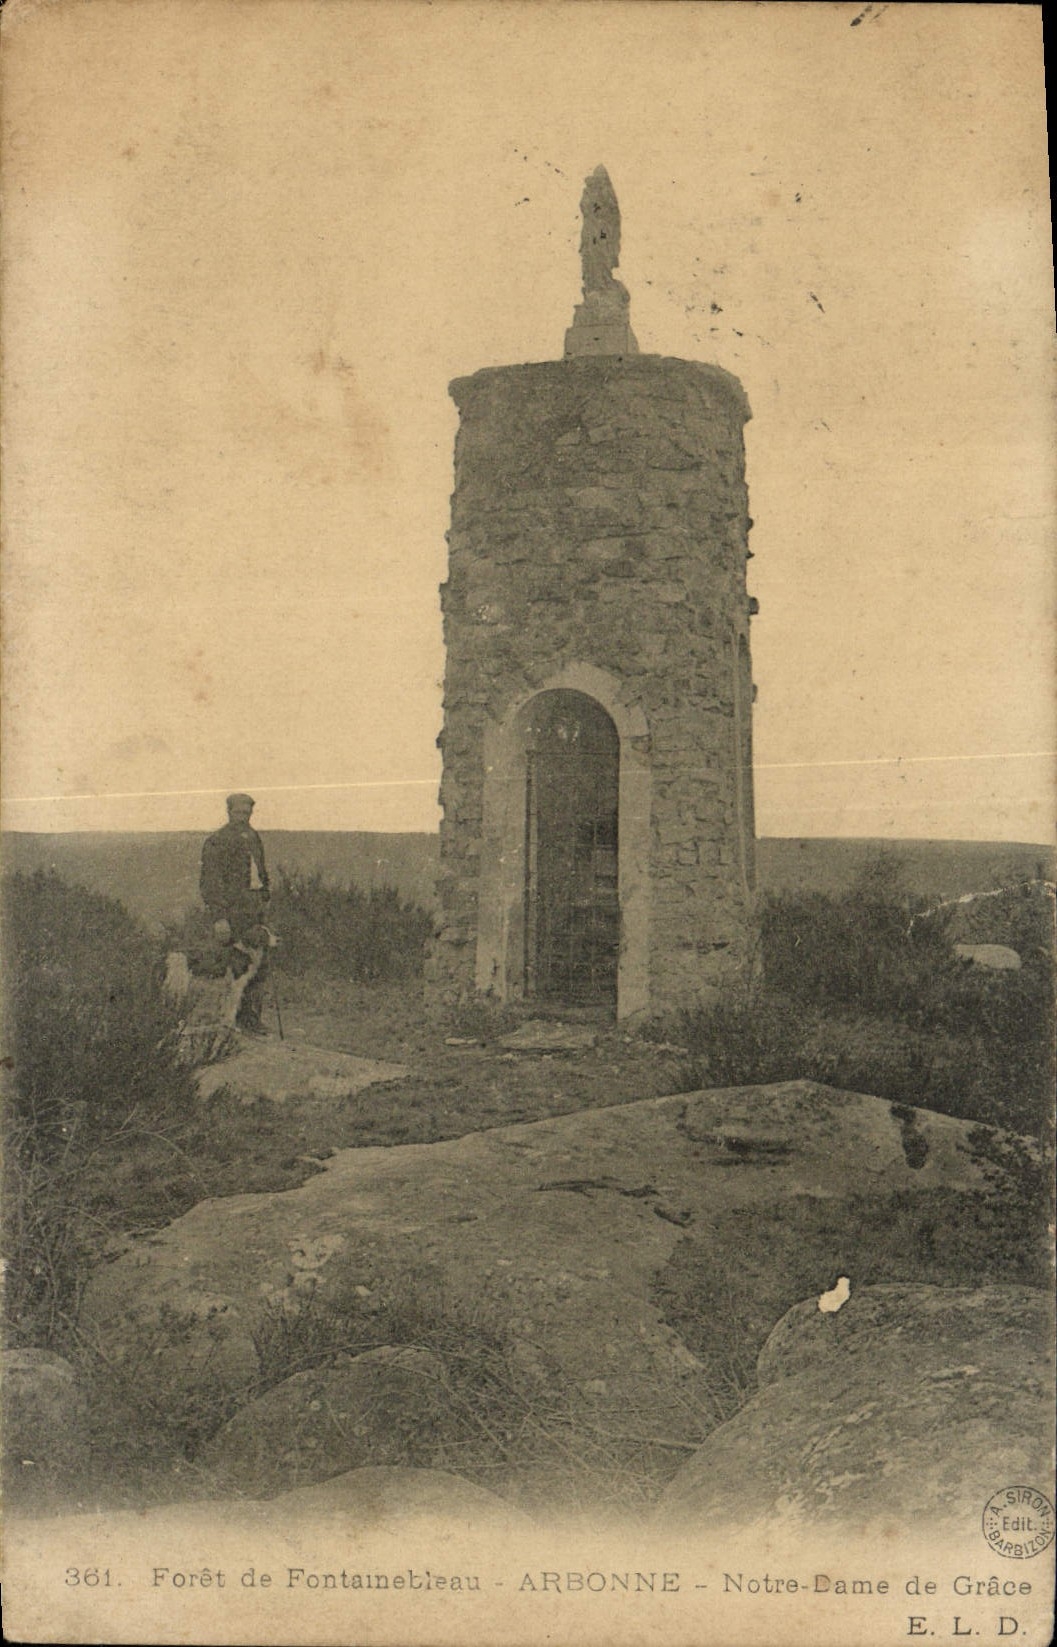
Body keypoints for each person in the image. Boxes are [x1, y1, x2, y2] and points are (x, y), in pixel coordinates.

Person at [199, 792, 272, 1035]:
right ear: (229, 812)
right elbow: (210, 882)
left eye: (248, 812)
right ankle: (226, 1019)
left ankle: (250, 1019)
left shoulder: (253, 836)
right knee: (231, 968)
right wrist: (220, 917)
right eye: (239, 812)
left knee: (258, 966)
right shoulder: (217, 840)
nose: (244, 817)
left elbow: (261, 871)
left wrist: (265, 896)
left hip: (255, 909)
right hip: (232, 913)